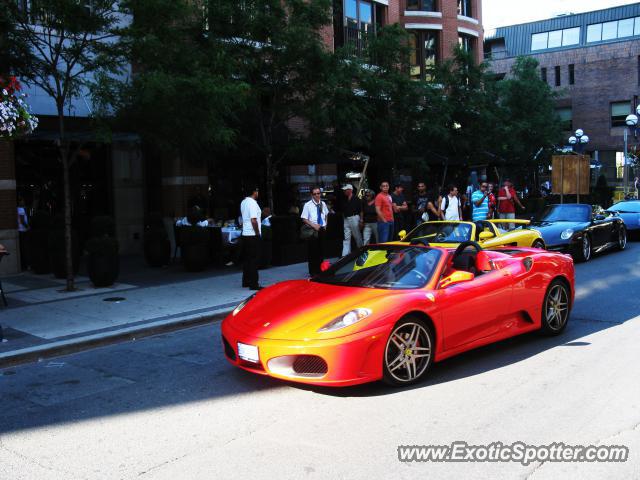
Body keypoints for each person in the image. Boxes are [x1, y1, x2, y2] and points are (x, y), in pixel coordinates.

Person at [301, 186, 329, 275]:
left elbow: (326, 214)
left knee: (321, 251)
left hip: (322, 229)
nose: (317, 195)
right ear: (312, 195)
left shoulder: (323, 204)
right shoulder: (307, 205)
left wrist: (325, 225)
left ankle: (320, 270)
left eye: (318, 193)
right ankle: (313, 272)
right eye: (315, 194)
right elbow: (304, 219)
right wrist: (314, 225)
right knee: (313, 252)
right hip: (312, 230)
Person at [240, 186, 262, 290]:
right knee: (254, 260)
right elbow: (254, 220)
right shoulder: (252, 203)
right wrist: (257, 232)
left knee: (247, 259)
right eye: (257, 190)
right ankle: (254, 283)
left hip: (245, 233)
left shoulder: (243, 202)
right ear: (254, 191)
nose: (258, 192)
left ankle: (246, 281)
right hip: (252, 235)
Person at [341, 184, 363, 256]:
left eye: (345, 190)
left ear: (350, 190)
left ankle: (361, 252)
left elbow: (361, 210)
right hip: (346, 219)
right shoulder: (344, 199)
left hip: (354, 218)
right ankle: (345, 255)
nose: (344, 191)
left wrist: (361, 220)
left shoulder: (357, 199)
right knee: (346, 238)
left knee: (357, 236)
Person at [17, 197, 29, 271]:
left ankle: (24, 265)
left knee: (22, 248)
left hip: (20, 230)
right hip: (23, 230)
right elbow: (22, 220)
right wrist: (28, 227)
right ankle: (25, 265)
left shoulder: (18, 209)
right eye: (22, 201)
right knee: (24, 248)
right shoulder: (21, 209)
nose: (23, 202)